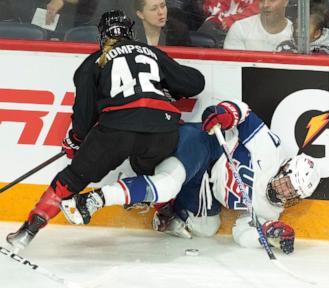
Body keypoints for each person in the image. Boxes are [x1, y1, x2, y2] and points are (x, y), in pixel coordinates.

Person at [6, 9, 205, 251]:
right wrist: (167, 89)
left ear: (102, 36)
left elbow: (84, 113)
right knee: (151, 171)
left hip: (118, 130)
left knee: (71, 180)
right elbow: (195, 83)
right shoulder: (152, 53)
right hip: (162, 130)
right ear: (131, 32)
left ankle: (27, 232)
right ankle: (168, 216)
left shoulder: (94, 61)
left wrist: (76, 139)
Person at [60, 99, 321, 254]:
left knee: (206, 229)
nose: (284, 192)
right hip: (205, 146)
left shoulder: (272, 210)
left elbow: (242, 233)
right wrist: (226, 113)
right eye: (286, 183)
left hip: (203, 185)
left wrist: (269, 234)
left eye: (292, 193)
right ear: (284, 168)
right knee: (168, 184)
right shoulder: (271, 150)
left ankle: (159, 204)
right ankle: (94, 199)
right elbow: (244, 113)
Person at [223, 0, 293, 52]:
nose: (265, 5)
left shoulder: (296, 33)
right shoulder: (240, 29)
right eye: (262, 0)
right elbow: (233, 68)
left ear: (286, 2)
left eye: (272, 0)